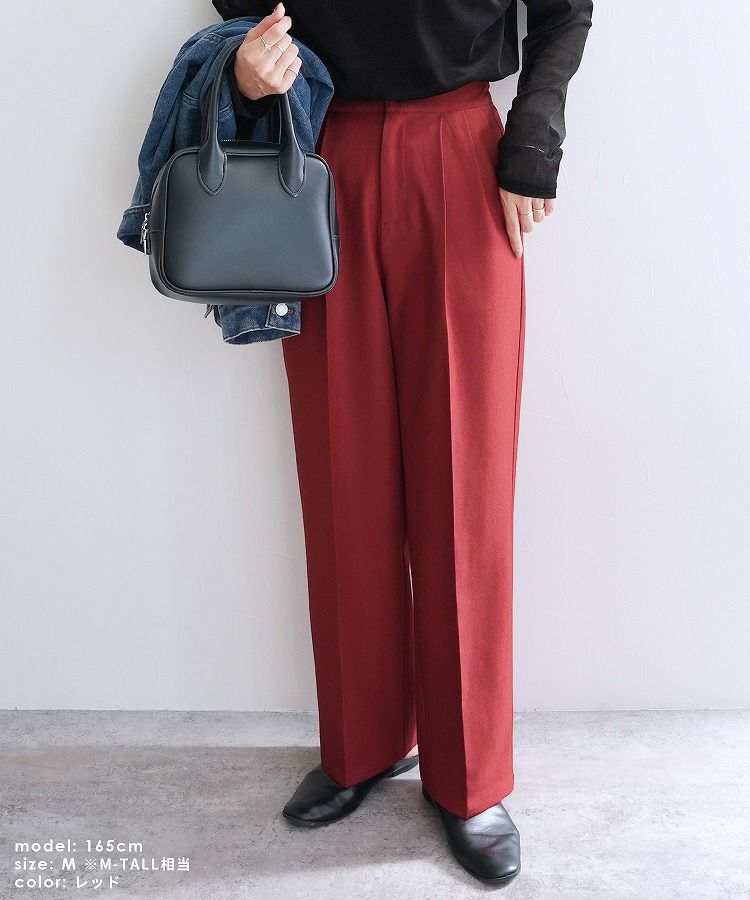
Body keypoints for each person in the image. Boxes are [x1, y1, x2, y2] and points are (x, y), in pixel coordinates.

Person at [214, 0, 593, 885]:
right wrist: (243, 66)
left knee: (467, 480)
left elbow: (565, 9)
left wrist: (534, 138)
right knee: (341, 468)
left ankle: (471, 778)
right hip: (319, 152)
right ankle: (364, 743)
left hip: (463, 153)